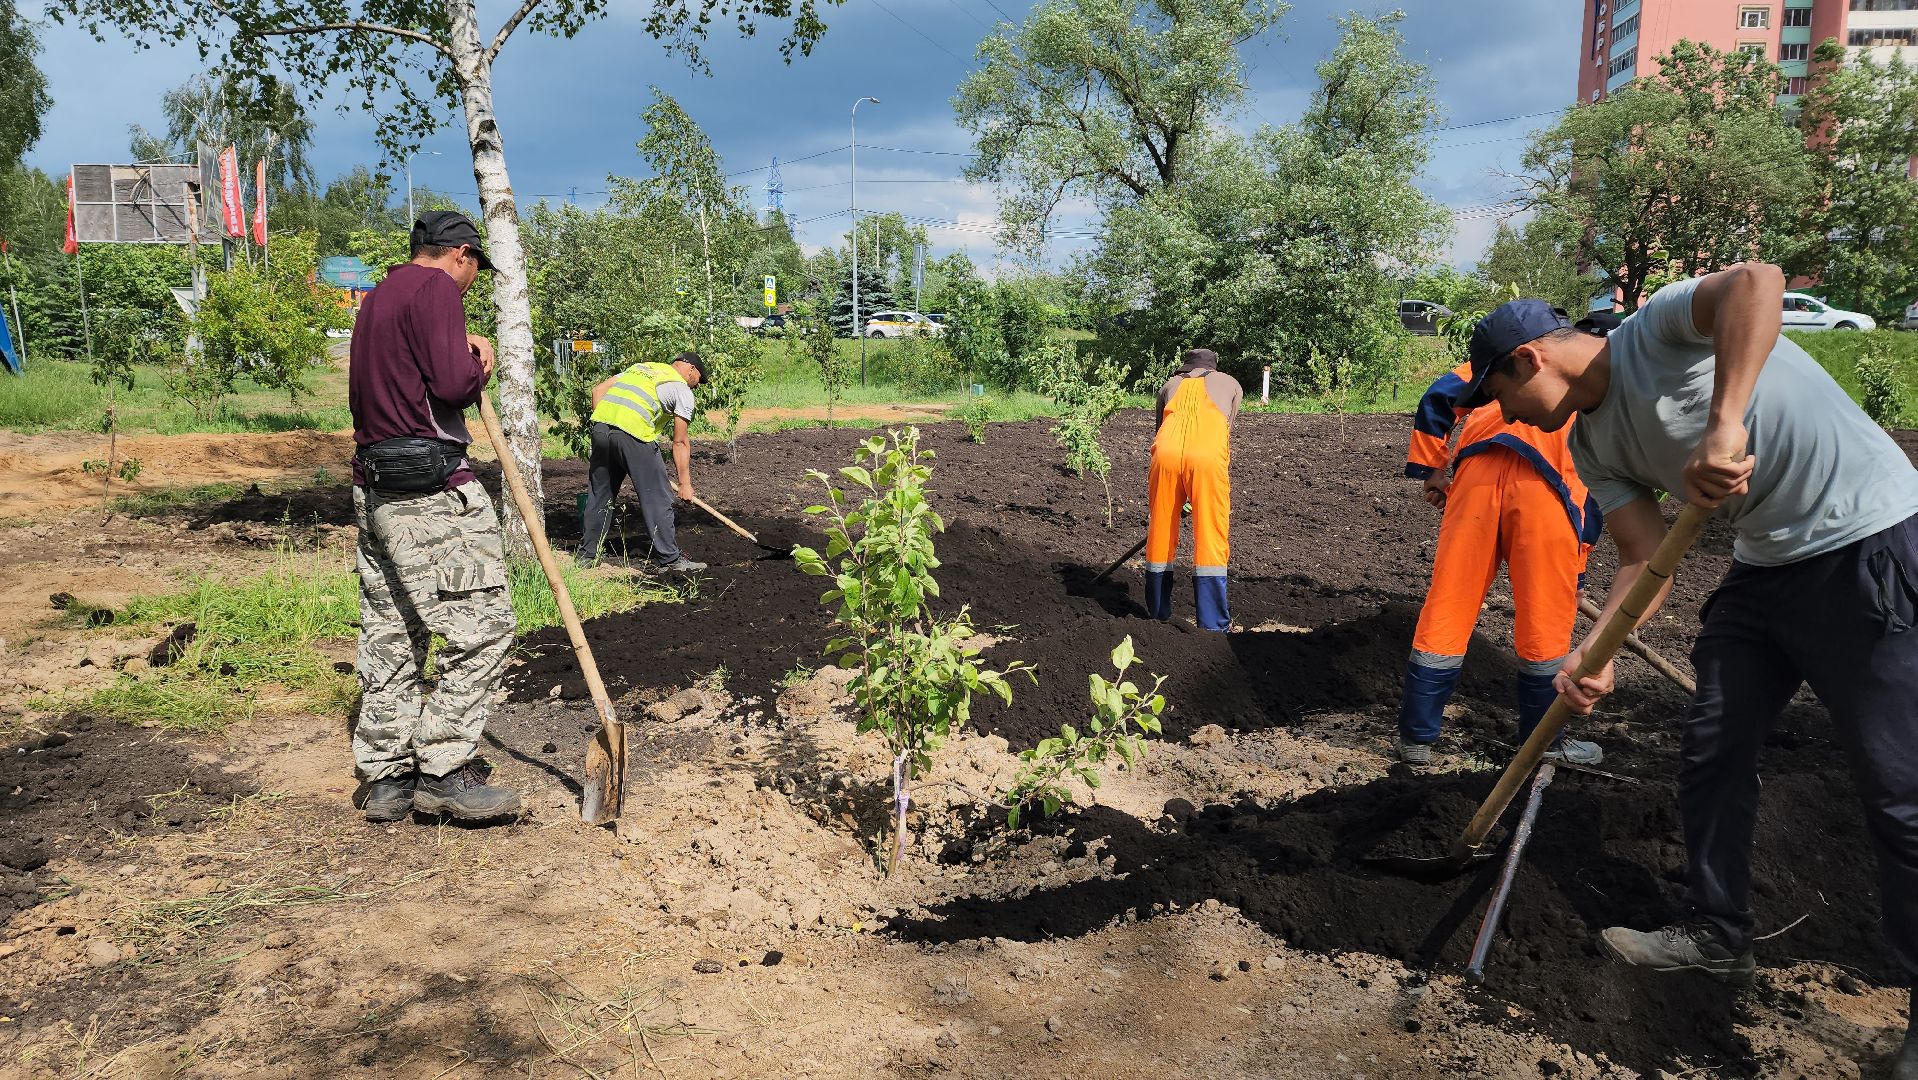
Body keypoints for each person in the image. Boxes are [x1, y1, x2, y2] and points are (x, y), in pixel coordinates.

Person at [1465, 264, 1918, 1077]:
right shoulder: (1591, 441)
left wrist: (1725, 422)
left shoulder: (1658, 329)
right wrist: (1591, 652)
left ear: (1528, 360)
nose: (1502, 417)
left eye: (1498, 397)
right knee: (1713, 747)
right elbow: (1644, 556)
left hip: (1867, 541)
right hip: (1764, 568)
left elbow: (1760, 282)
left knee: (1899, 790)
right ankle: (1718, 936)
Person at [348, 211, 522, 824]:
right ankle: (444, 767)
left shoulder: (377, 297)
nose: (473, 279)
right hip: (431, 490)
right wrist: (484, 362)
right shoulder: (438, 290)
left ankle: (385, 776)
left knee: (393, 630)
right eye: (477, 267)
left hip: (373, 485)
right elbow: (451, 385)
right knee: (486, 627)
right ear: (461, 255)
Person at [1397, 318, 1605, 767]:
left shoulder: (1503, 363)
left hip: (1474, 476)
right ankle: (1542, 742)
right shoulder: (1594, 387)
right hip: (1547, 489)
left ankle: (1416, 741)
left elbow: (1437, 397)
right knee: (1545, 621)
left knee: (1448, 605)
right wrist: (1578, 569)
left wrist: (1434, 467)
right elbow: (1597, 497)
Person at [577, 351, 707, 573]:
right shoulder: (682, 388)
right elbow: (680, 442)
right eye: (699, 381)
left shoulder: (642, 368)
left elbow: (598, 391)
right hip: (634, 434)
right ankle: (670, 560)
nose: (697, 386)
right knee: (657, 496)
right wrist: (685, 484)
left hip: (601, 427)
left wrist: (611, 427)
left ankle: (587, 556)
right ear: (691, 369)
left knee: (600, 494)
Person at [1145, 348, 1240, 631]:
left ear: (1184, 368)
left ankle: (1157, 616)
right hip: (1208, 458)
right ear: (1214, 367)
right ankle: (1212, 625)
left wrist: (1181, 495)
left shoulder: (1168, 386)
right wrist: (1194, 494)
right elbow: (1225, 429)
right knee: (1210, 536)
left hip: (1165, 457)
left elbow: (1161, 428)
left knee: (1160, 533)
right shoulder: (1231, 384)